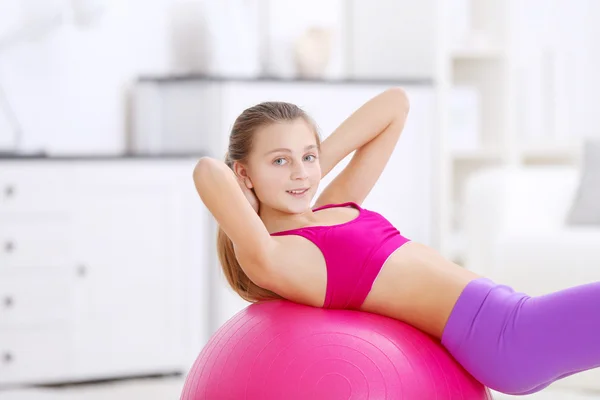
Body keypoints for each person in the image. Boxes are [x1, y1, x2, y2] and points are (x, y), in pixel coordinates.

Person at [193, 87, 600, 396]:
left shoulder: (331, 206)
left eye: (308, 156)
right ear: (244, 174)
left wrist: (311, 170)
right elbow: (208, 171)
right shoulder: (279, 256)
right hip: (506, 336)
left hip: (510, 312)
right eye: (280, 160)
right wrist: (253, 196)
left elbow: (394, 105)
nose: (300, 172)